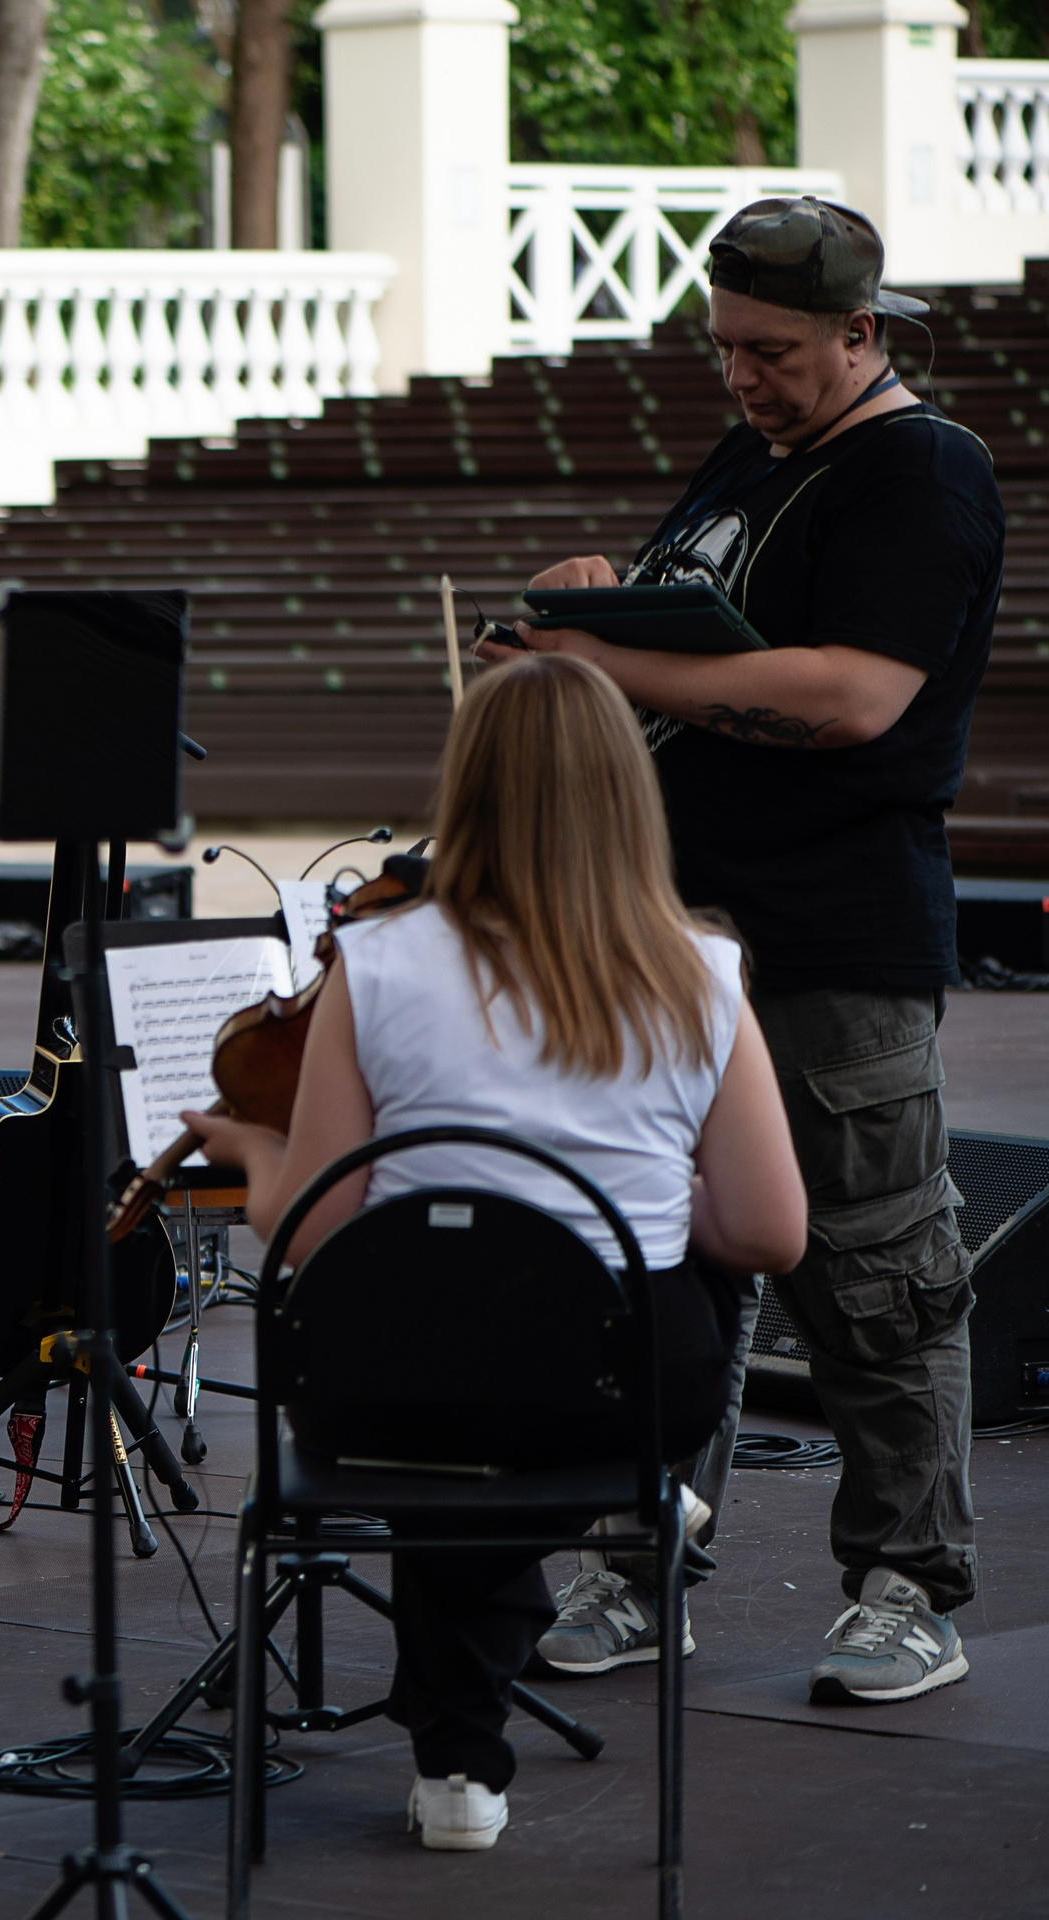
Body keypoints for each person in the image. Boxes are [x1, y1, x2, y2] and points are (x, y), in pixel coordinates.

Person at [480, 197, 997, 1705]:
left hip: (830, 935)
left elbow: (848, 698)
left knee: (876, 1266)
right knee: (655, 1248)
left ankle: (913, 1587)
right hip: (669, 929)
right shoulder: (757, 457)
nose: (744, 377)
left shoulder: (920, 469)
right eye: (724, 349)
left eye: (774, 351)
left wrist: (595, 655)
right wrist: (592, 593)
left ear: (862, 332)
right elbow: (690, 633)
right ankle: (639, 1564)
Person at [186, 652, 807, 1851]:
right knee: (597, 1318)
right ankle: (639, 1502)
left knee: (445, 1379)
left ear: (463, 789)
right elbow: (771, 1233)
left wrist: (256, 1158)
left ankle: (459, 1761)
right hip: (622, 1396)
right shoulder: (701, 971)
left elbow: (320, 1227)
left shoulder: (374, 964)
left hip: (395, 1398)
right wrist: (651, 1189)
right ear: (628, 797)